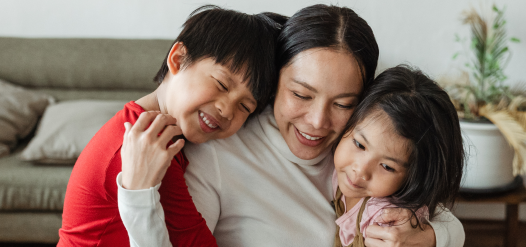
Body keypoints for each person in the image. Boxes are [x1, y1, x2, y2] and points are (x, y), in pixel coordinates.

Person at [118, 4, 465, 247]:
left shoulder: (357, 153)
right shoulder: (218, 153)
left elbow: (443, 216)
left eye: (343, 104)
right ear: (273, 84)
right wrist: (137, 197)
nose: (317, 122)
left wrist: (431, 237)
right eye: (301, 95)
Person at [57, 5, 281, 247]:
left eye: (245, 107)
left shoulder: (166, 132)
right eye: (221, 85)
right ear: (178, 59)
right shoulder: (147, 143)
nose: (227, 110)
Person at [330, 65, 465, 247]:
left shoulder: (387, 219)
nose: (360, 170)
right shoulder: (335, 173)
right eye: (360, 145)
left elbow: (450, 227)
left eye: (387, 167)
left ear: (414, 178)